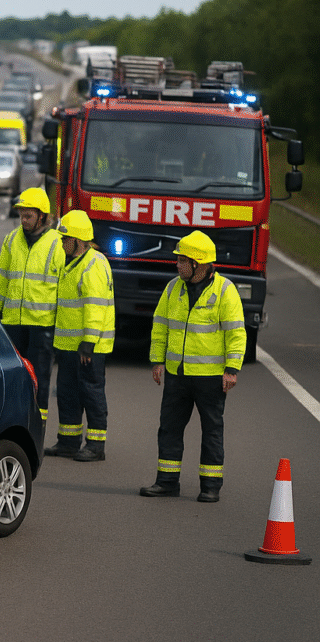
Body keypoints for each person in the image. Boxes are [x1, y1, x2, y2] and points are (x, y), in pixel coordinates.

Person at [140, 231, 246, 503]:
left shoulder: (225, 290)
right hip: (177, 374)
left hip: (210, 378)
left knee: (212, 432)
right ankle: (166, 482)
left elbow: (236, 332)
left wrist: (232, 369)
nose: (177, 265)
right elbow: (160, 326)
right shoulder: (172, 288)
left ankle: (210, 486)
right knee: (169, 428)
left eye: (182, 260)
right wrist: (157, 360)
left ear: (198, 264)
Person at [0, 187, 64, 425]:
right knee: (13, 378)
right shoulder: (12, 239)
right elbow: (1, 276)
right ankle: (15, 424)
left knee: (39, 381)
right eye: (21, 215)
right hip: (12, 323)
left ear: (42, 216)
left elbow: (64, 287)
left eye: (28, 215)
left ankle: (37, 426)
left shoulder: (57, 244)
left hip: (42, 326)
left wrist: (61, 325)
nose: (23, 220)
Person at [45, 210, 115, 462]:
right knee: (67, 393)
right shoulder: (70, 263)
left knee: (91, 394)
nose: (62, 243)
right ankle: (68, 442)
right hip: (68, 344)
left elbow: (95, 307)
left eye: (65, 239)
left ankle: (96, 445)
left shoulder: (93, 264)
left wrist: (88, 342)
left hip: (87, 347)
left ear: (78, 240)